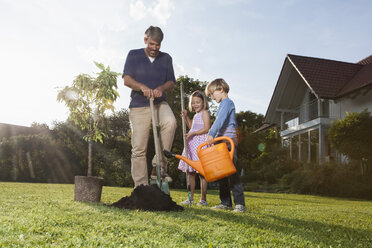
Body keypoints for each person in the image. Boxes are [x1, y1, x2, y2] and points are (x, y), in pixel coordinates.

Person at [122, 25, 177, 188]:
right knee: (139, 148)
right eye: (151, 44)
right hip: (139, 105)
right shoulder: (134, 55)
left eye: (157, 45)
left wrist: (161, 88)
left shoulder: (166, 58)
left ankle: (158, 166)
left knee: (171, 123)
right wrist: (142, 87)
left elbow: (171, 82)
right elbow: (126, 79)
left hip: (160, 103)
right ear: (145, 40)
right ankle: (141, 186)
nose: (154, 48)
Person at [205, 78, 246, 213]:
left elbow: (220, 120)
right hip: (221, 142)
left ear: (221, 89)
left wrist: (211, 133)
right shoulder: (223, 104)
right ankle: (225, 202)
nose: (211, 97)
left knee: (232, 172)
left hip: (228, 142)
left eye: (212, 94)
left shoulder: (227, 103)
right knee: (222, 172)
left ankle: (240, 204)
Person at [178, 91, 210, 206]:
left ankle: (203, 200)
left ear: (203, 103)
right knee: (190, 173)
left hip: (200, 144)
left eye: (198, 102)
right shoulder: (196, 115)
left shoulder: (204, 113)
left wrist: (193, 133)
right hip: (192, 145)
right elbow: (192, 127)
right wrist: (186, 116)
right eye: (193, 102)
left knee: (202, 173)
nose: (196, 104)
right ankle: (190, 198)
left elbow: (206, 128)